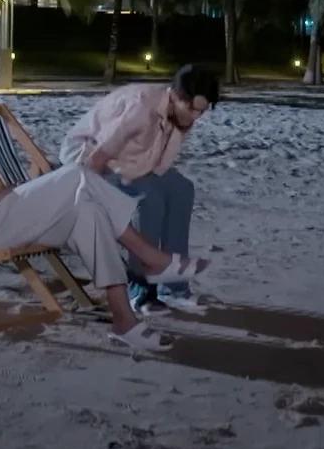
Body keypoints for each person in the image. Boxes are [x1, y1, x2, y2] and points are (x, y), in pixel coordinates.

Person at [0, 72, 205, 351]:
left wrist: (6, 197)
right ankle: (151, 257)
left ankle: (124, 321)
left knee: (89, 212)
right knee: (75, 174)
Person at [60, 64, 219, 315]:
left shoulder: (179, 113)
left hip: (134, 162)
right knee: (149, 199)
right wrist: (86, 198)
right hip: (91, 160)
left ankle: (173, 288)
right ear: (176, 95)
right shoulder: (140, 109)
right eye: (192, 108)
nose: (196, 116)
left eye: (202, 110)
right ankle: (139, 287)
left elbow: (156, 160)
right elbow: (98, 157)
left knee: (181, 189)